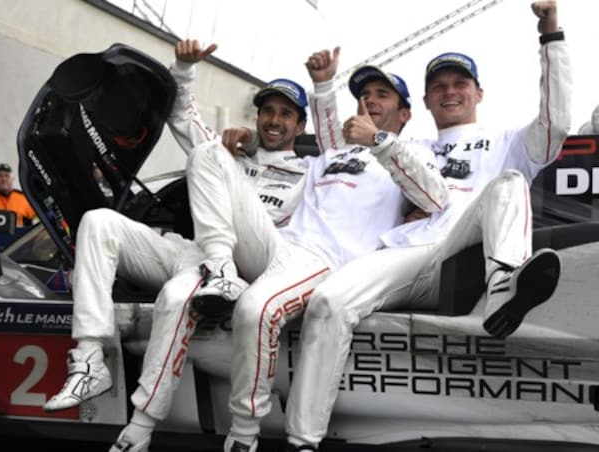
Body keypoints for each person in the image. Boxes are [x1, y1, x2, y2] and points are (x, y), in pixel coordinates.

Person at [284, 2, 571, 451]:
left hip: (469, 256)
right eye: (438, 86)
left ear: (479, 93)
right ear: (423, 102)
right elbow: (336, 152)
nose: (449, 92)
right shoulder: (405, 142)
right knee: (327, 302)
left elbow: (557, 121)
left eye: (460, 83)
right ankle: (302, 442)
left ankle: (504, 287)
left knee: (508, 184)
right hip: (406, 256)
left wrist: (550, 34)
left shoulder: (508, 141)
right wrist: (324, 90)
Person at [42, 40, 315, 451]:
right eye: (268, 111)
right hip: (203, 255)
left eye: (286, 114)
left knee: (175, 297)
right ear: (257, 116)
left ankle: (138, 430)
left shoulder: (313, 171)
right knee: (98, 222)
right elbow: (183, 116)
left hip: (256, 266)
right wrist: (184, 68)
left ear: (300, 127)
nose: (274, 120)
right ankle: (89, 358)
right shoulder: (230, 154)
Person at [196, 48, 450, 451]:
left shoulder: (410, 152)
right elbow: (289, 156)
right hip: (278, 246)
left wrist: (380, 141)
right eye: (365, 94)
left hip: (329, 263)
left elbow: (436, 198)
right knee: (208, 152)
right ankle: (220, 267)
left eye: (382, 94)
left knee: (254, 309)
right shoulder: (328, 155)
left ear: (404, 114)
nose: (370, 100)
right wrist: (245, 146)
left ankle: (244, 434)